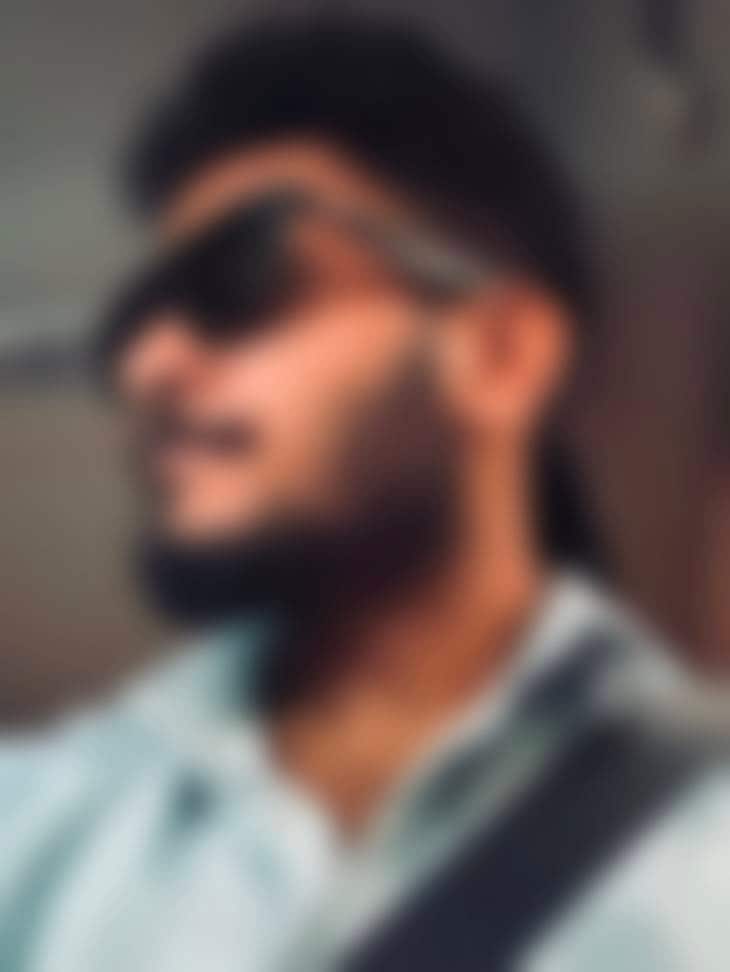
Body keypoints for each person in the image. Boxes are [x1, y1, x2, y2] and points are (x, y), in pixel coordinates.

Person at [1, 13, 728, 972]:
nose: (148, 366)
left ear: (501, 353)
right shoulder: (40, 823)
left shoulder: (703, 842)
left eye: (241, 279)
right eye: (138, 320)